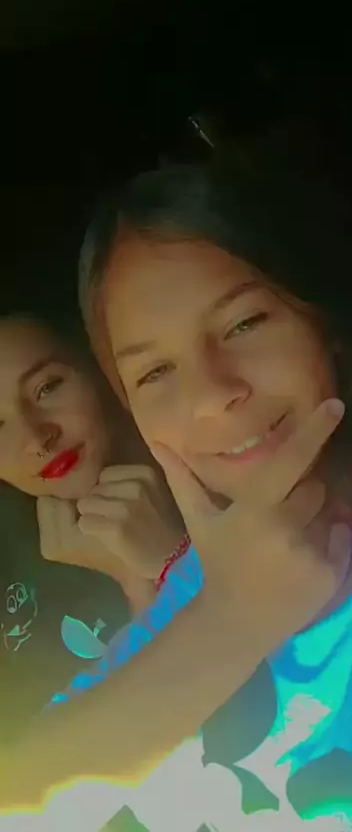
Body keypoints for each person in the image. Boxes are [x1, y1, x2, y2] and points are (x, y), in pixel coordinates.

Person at [2, 156, 352, 829]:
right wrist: (231, 617)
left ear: (322, 319)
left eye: (243, 325)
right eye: (155, 372)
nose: (212, 394)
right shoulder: (206, 583)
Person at [0, 311, 184, 748]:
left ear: (100, 365)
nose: (37, 437)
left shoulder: (213, 479)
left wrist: (151, 575)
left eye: (48, 387)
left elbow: (223, 724)